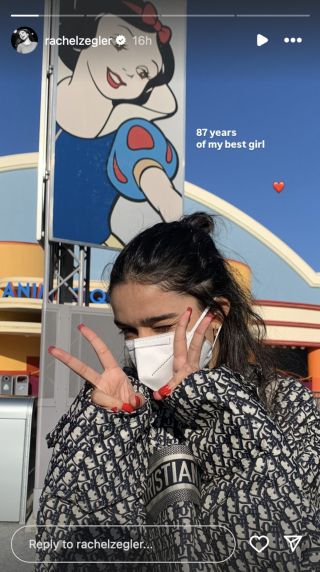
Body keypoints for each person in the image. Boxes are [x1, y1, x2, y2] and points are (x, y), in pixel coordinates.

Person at [36, 212, 320, 571]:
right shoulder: (120, 407)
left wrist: (215, 408)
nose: (142, 346)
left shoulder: (286, 406)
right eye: (129, 331)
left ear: (214, 317)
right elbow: (67, 551)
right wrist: (103, 430)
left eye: (163, 326)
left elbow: (283, 553)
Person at [54, 0, 181, 247]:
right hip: (37, 250)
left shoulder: (130, 132)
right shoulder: (44, 111)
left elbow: (155, 180)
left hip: (100, 253)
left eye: (144, 71)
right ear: (87, 32)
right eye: (120, 43)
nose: (128, 70)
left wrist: (186, 229)